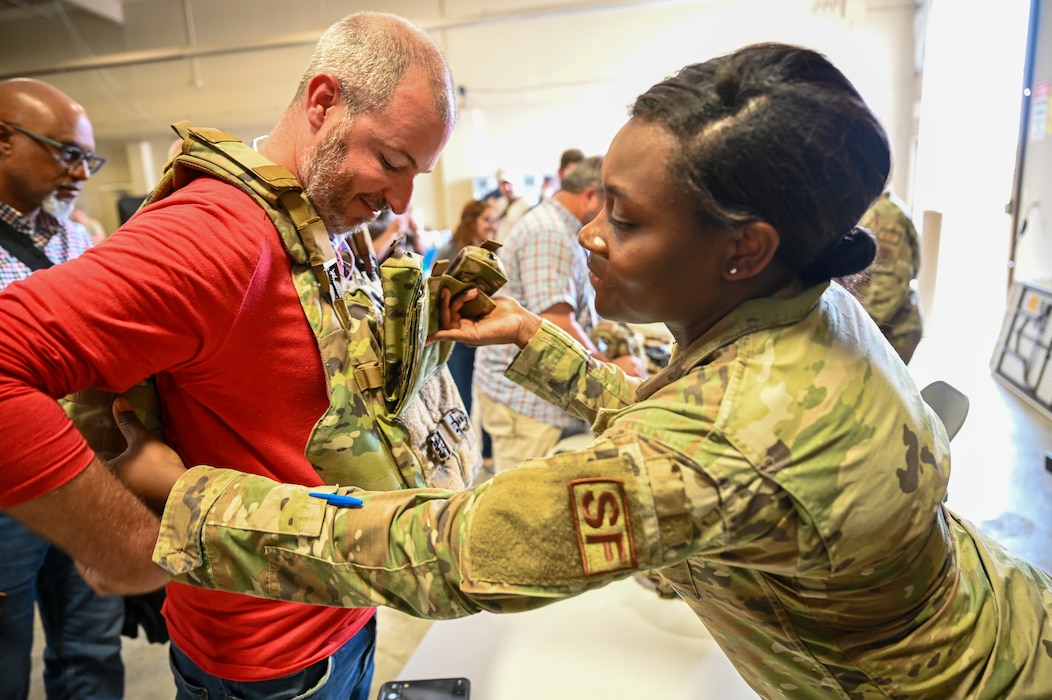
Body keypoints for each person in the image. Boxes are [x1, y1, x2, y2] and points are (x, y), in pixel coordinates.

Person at [116, 42, 1052, 698]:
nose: (591, 235)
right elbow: (678, 415)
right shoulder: (814, 299)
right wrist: (536, 341)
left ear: (745, 248)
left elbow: (448, 554)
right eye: (599, 200)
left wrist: (185, 496)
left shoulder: (720, 445)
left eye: (631, 221)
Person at [0, 11, 456, 700]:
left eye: (416, 172)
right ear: (323, 103)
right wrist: (120, 545)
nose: (399, 198)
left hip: (339, 612)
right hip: (271, 657)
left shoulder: (313, 218)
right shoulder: (220, 233)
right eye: (391, 162)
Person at [0, 79, 125, 700]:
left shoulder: (78, 240)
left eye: (87, 158)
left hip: (83, 470)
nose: (80, 171)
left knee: (92, 645)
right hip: (7, 492)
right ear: (3, 141)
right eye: (65, 152)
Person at [475, 155, 616, 474]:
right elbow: (557, 322)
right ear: (591, 195)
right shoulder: (549, 232)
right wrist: (608, 372)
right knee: (521, 502)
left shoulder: (560, 226)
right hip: (525, 406)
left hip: (535, 396)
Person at [854, 190, 923, 363]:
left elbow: (889, 286)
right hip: (872, 330)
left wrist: (850, 333)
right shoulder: (867, 209)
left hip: (891, 333)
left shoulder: (885, 216)